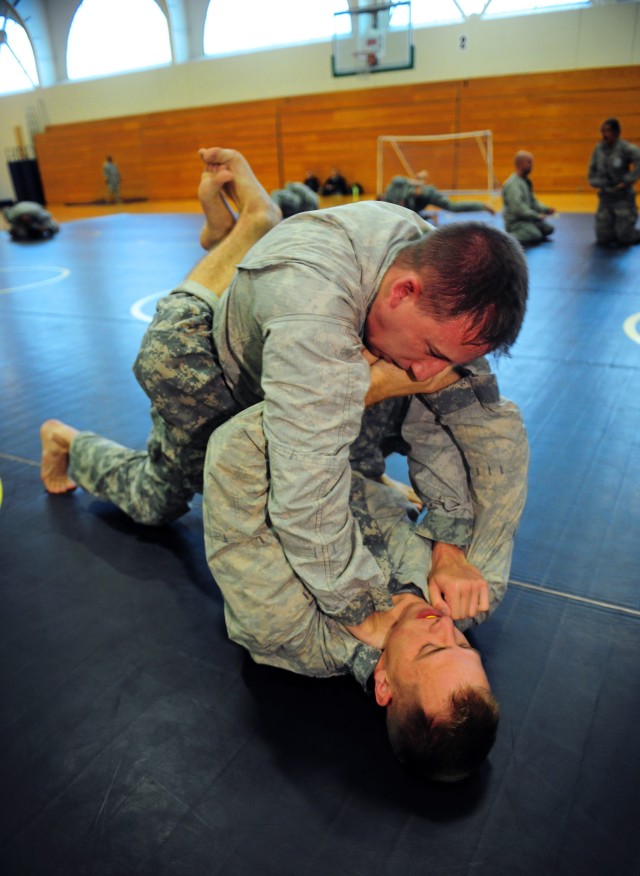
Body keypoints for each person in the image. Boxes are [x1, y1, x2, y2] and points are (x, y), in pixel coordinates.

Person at [41, 146, 528, 632]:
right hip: (213, 374)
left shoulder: (447, 282)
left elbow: (454, 419)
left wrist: (449, 542)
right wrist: (364, 611)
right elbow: (306, 490)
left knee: (388, 396)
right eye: (431, 353)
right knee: (155, 501)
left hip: (312, 366)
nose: (425, 372)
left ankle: (257, 242)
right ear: (402, 291)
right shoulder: (310, 303)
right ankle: (249, 227)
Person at [203, 393, 528, 782]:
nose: (446, 623)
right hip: (358, 443)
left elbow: (234, 451)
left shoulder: (288, 629)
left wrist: (352, 385)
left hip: (256, 410)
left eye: (431, 648)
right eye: (463, 645)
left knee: (153, 489)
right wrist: (449, 545)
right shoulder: (471, 595)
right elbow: (498, 434)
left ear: (384, 683)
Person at [588, 118, 640, 246]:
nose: (604, 134)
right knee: (603, 238)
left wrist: (628, 181)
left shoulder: (626, 148)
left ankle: (632, 231)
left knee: (624, 237)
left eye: (608, 131)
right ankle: (613, 228)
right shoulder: (598, 148)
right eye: (603, 131)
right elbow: (592, 169)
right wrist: (595, 181)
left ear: (617, 133)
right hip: (606, 198)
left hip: (622, 197)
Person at [382, 171, 495, 218]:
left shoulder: (392, 191)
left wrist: (416, 184)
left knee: (453, 207)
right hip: (422, 196)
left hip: (425, 195)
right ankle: (482, 206)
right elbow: (411, 212)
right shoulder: (393, 196)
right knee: (452, 207)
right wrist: (428, 216)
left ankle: (482, 206)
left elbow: (399, 180)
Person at [501, 151, 555, 244]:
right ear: (520, 163)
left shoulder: (526, 181)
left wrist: (546, 209)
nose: (531, 165)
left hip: (527, 219)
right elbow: (518, 209)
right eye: (529, 162)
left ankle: (529, 229)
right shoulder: (513, 184)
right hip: (516, 222)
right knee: (535, 235)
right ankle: (505, 239)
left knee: (549, 229)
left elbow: (533, 201)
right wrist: (536, 216)